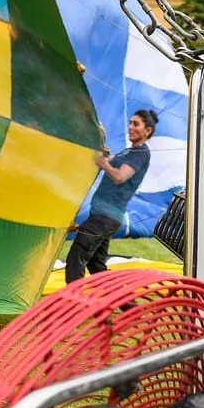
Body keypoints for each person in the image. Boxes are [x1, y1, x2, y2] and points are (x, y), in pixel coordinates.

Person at [65, 109, 158, 283]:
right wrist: (101, 137)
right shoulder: (129, 152)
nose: (130, 127)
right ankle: (120, 298)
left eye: (136, 124)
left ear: (147, 131)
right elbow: (106, 158)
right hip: (105, 216)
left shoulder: (140, 153)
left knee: (77, 255)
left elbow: (120, 176)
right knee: (96, 265)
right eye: (130, 123)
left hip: (105, 217)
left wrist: (104, 164)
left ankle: (74, 298)